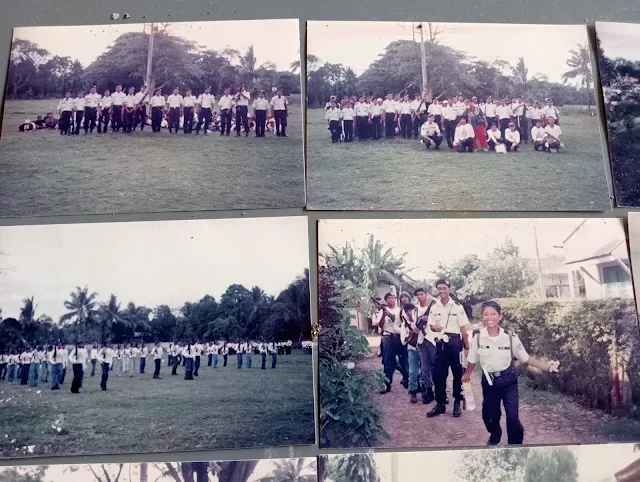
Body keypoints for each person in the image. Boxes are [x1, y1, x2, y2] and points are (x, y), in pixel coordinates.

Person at [463, 301, 558, 445]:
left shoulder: (510, 336)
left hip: (509, 382)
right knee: (489, 416)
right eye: (486, 314)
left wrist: (545, 366)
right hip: (489, 383)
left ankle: (515, 445)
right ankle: (495, 433)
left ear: (500, 317)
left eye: (493, 314)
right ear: (482, 317)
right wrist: (467, 374)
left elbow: (525, 358)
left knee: (513, 419)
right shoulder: (477, 337)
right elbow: (472, 359)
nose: (490, 317)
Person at [427, 279, 470, 419]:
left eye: (444, 288)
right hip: (440, 343)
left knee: (458, 374)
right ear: (437, 290)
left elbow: (463, 328)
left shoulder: (457, 307)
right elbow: (431, 326)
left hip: (455, 343)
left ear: (449, 289)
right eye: (439, 288)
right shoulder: (434, 307)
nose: (442, 291)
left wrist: (467, 347)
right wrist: (434, 327)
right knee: (438, 375)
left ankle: (457, 402)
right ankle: (440, 404)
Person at [376, 292, 408, 394]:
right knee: (387, 361)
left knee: (404, 360)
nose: (390, 300)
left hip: (399, 337)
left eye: (392, 298)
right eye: (388, 298)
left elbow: (405, 324)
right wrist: (383, 316)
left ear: (395, 299)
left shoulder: (400, 311)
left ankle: (408, 381)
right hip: (388, 337)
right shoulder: (382, 311)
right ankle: (386, 384)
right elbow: (380, 326)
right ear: (386, 300)